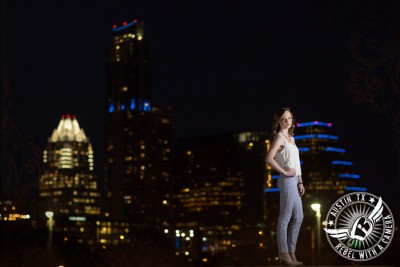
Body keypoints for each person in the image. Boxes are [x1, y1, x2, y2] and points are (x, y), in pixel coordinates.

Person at [265, 107, 305, 266]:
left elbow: (296, 162)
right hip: (287, 181)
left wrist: (300, 181)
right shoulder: (279, 138)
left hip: (295, 181)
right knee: (285, 217)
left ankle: (291, 253)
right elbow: (268, 158)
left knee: (299, 217)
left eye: (289, 118)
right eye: (283, 119)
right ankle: (283, 253)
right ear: (278, 121)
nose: (287, 121)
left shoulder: (291, 139)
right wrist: (284, 172)